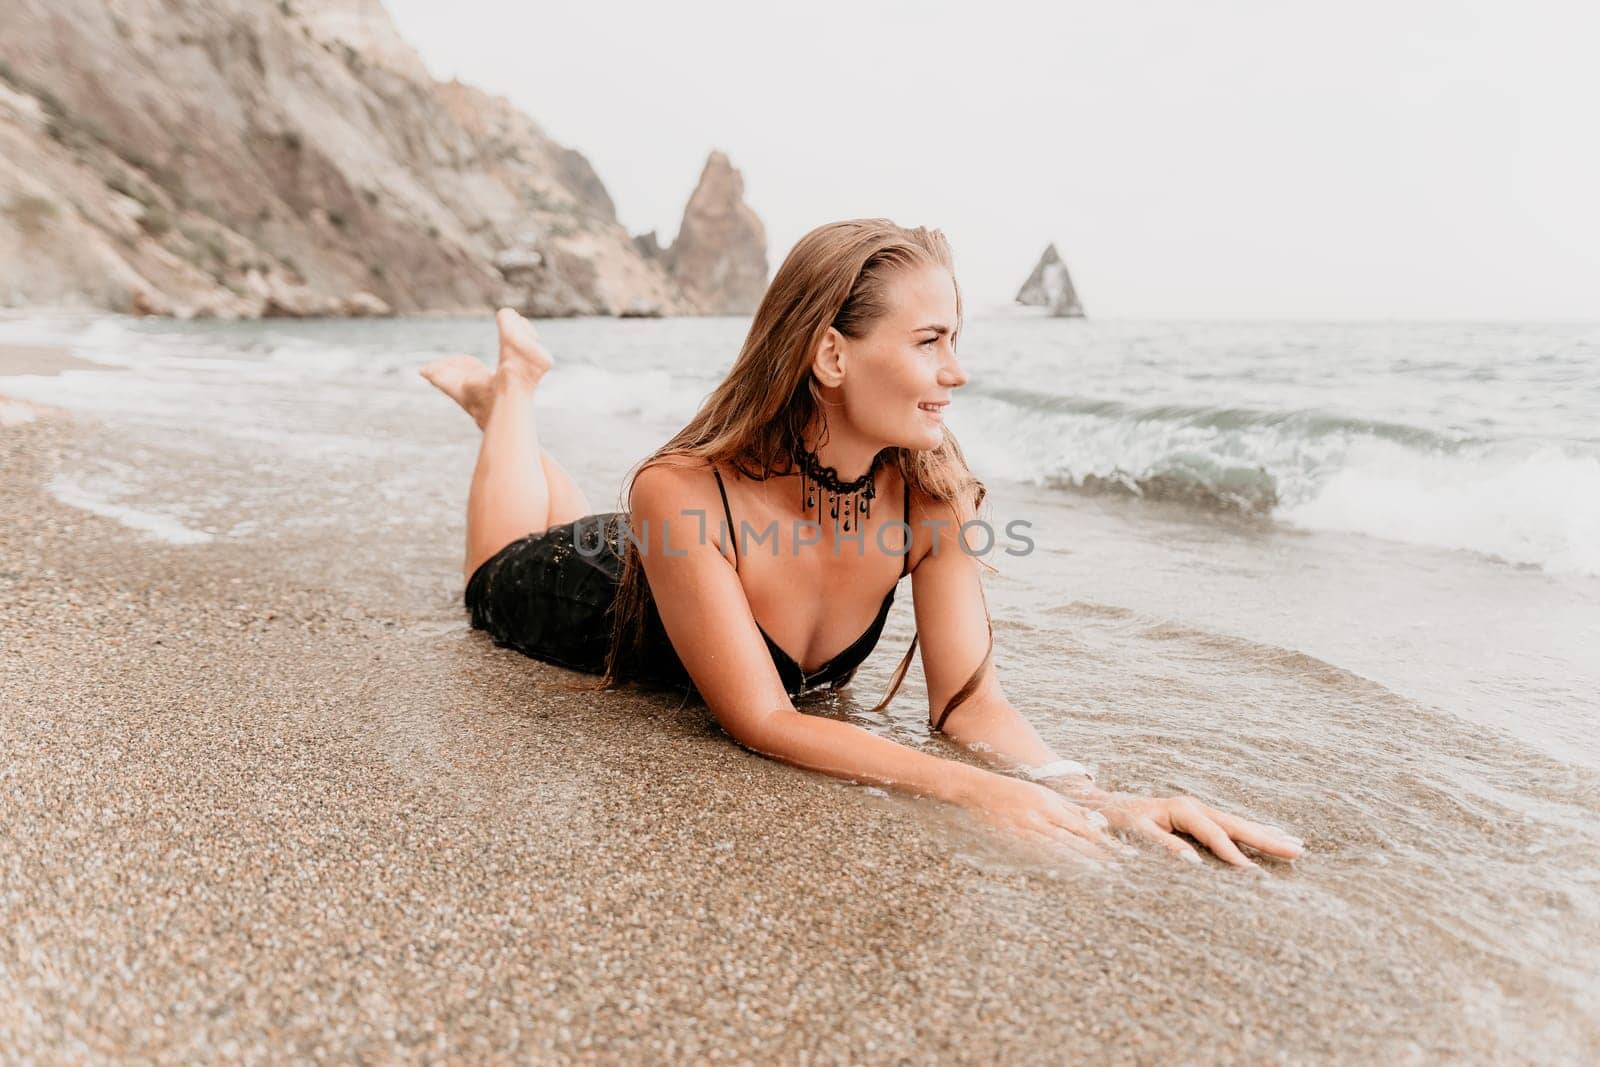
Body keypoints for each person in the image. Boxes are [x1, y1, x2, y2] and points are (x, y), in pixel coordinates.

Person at [421, 219, 1304, 868]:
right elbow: (764, 718)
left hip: (685, 562)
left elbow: (967, 706)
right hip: (595, 580)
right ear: (832, 358)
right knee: (489, 575)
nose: (956, 371)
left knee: (566, 509)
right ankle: (513, 396)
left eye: (954, 341)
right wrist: (982, 791)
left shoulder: (931, 495)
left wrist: (1092, 793)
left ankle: (515, 416)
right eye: (930, 342)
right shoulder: (677, 488)